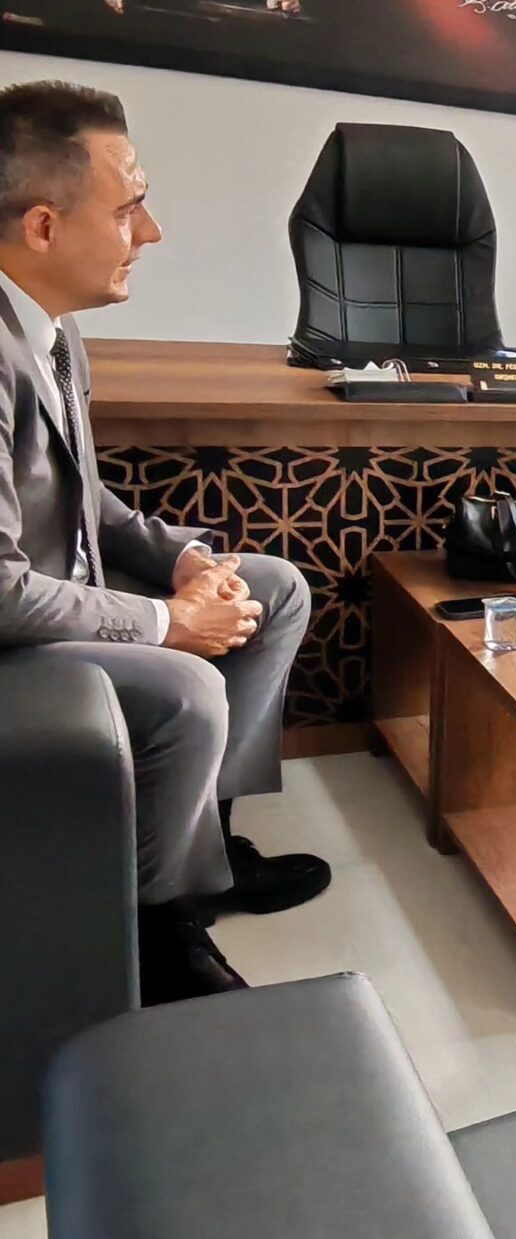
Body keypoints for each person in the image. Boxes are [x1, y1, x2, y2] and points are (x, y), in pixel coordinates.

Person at [0, 80, 330, 1002]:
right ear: (42, 227)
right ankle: (156, 928)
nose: (150, 232)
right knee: (186, 687)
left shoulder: (51, 331)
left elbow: (83, 498)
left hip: (62, 598)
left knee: (274, 588)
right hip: (14, 638)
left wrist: (184, 559)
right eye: (128, 209)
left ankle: (204, 847)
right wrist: (165, 622)